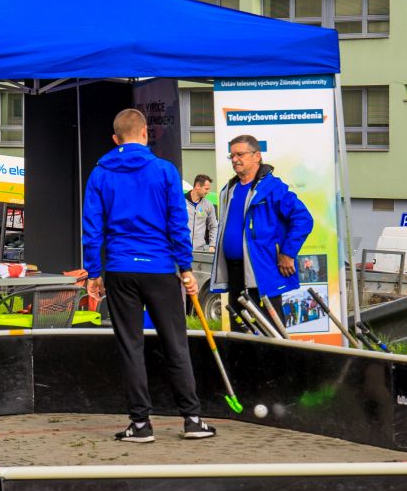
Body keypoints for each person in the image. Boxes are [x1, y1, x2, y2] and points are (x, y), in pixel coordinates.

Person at [82, 108, 215, 443]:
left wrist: (94, 272)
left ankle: (140, 424)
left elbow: (92, 228)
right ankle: (192, 419)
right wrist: (186, 267)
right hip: (160, 269)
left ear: (116, 139)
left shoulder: (100, 173)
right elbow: (178, 224)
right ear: (145, 133)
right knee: (176, 344)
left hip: (120, 269)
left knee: (131, 347)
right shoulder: (165, 171)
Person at [216, 134, 313, 328]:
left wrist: (288, 253)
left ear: (257, 156)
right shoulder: (230, 189)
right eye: (232, 156)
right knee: (240, 329)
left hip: (262, 271)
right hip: (235, 271)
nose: (235, 159)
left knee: (270, 330)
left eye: (240, 154)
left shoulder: (272, 188)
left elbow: (303, 219)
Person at [186, 173, 219, 256]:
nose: (208, 192)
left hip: (199, 252)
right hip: (181, 251)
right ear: (197, 186)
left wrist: (212, 245)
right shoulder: (180, 202)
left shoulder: (208, 205)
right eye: (206, 189)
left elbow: (214, 226)